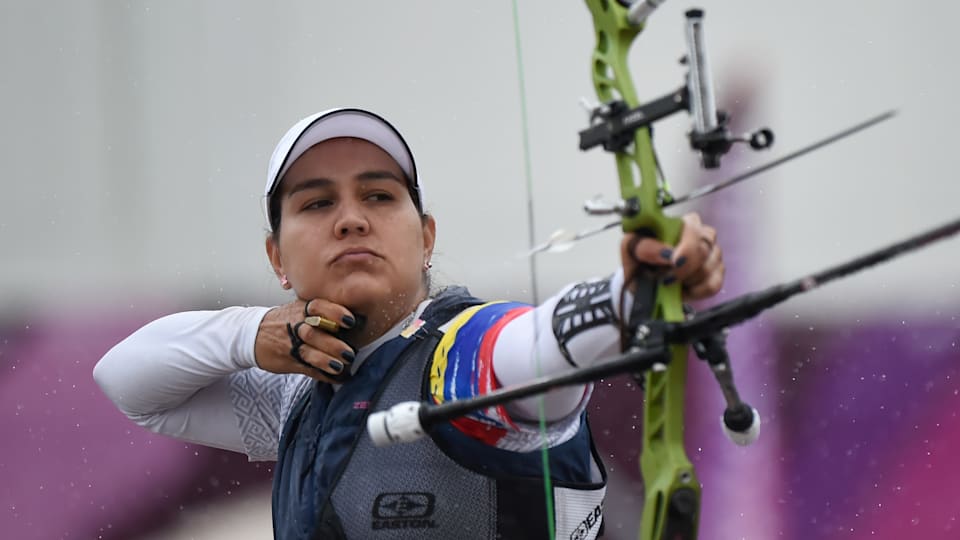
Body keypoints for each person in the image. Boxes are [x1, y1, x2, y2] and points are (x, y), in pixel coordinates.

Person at [93, 107, 725, 540]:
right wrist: (250, 332)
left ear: (425, 237)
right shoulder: (297, 396)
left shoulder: (467, 356)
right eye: (317, 203)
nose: (350, 219)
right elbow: (129, 382)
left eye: (379, 196)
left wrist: (634, 292)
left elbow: (540, 342)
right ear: (277, 259)